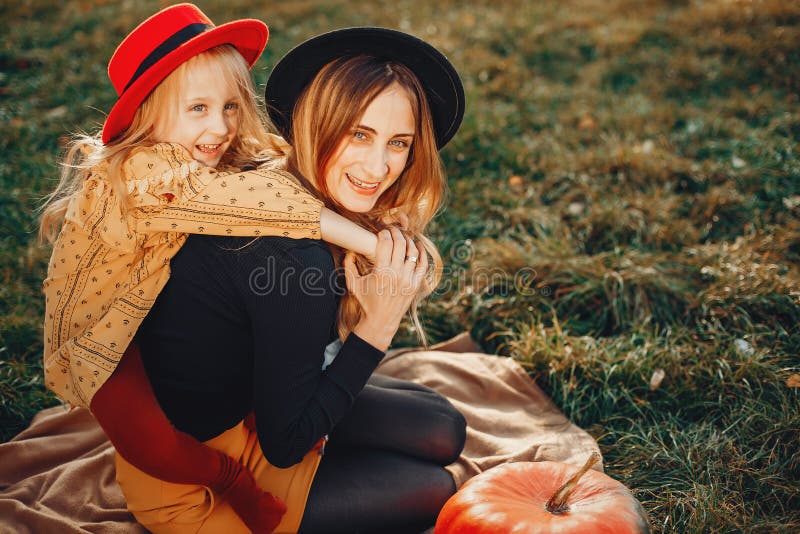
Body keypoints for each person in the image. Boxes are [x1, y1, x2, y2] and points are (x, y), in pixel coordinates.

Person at [113, 27, 468, 534]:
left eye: (398, 143)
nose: (378, 166)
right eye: (359, 135)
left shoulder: (269, 179)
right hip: (202, 481)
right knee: (438, 487)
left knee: (443, 427)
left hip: (255, 407)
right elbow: (285, 446)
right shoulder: (295, 267)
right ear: (315, 124)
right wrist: (377, 327)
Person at [39, 4, 378, 533]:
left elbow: (262, 175)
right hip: (141, 412)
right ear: (148, 115)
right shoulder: (137, 176)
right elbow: (247, 201)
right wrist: (367, 241)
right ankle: (241, 476)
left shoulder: (195, 157)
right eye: (197, 108)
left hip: (230, 416)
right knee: (158, 442)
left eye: (229, 106)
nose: (220, 127)